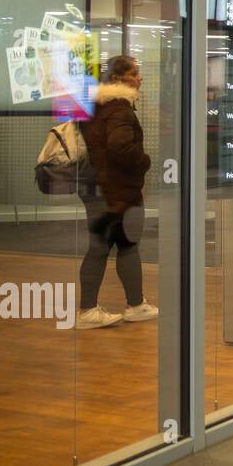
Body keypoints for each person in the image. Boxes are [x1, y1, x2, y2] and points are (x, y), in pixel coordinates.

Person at [76, 55, 158, 329]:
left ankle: (135, 304)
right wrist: (144, 162)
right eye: (135, 73)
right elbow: (120, 147)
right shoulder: (119, 108)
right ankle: (89, 310)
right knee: (109, 247)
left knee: (122, 245)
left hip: (101, 187)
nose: (140, 78)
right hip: (115, 189)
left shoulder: (95, 107)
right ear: (116, 79)